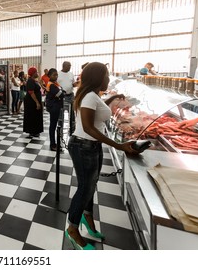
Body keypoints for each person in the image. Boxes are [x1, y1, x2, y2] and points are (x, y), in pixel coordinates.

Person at [65, 62, 138, 250]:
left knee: (90, 185)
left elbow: (96, 110)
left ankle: (88, 217)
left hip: (90, 145)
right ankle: (72, 228)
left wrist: (112, 97)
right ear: (98, 78)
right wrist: (119, 145)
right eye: (106, 75)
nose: (108, 79)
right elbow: (88, 127)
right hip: (83, 146)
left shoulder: (92, 96)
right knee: (84, 188)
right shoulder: (89, 96)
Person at [45, 68, 65, 151]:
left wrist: (61, 92)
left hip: (56, 106)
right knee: (53, 126)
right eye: (54, 75)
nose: (56, 76)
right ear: (49, 75)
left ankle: (54, 143)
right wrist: (61, 93)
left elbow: (62, 92)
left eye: (57, 75)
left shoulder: (55, 84)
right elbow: (61, 94)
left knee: (54, 125)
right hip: (54, 107)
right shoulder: (52, 85)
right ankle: (52, 144)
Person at [23, 67, 43, 138]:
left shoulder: (34, 80)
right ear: (33, 73)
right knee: (32, 116)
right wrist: (37, 102)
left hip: (33, 101)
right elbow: (31, 92)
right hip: (31, 102)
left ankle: (35, 130)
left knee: (35, 115)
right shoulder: (30, 81)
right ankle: (32, 131)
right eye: (36, 72)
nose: (37, 73)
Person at [58, 61, 76, 135]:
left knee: (72, 114)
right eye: (69, 65)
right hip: (61, 97)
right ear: (64, 66)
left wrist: (78, 84)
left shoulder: (71, 74)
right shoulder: (58, 74)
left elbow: (73, 84)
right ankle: (60, 130)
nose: (70, 67)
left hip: (70, 96)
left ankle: (72, 130)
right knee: (61, 114)